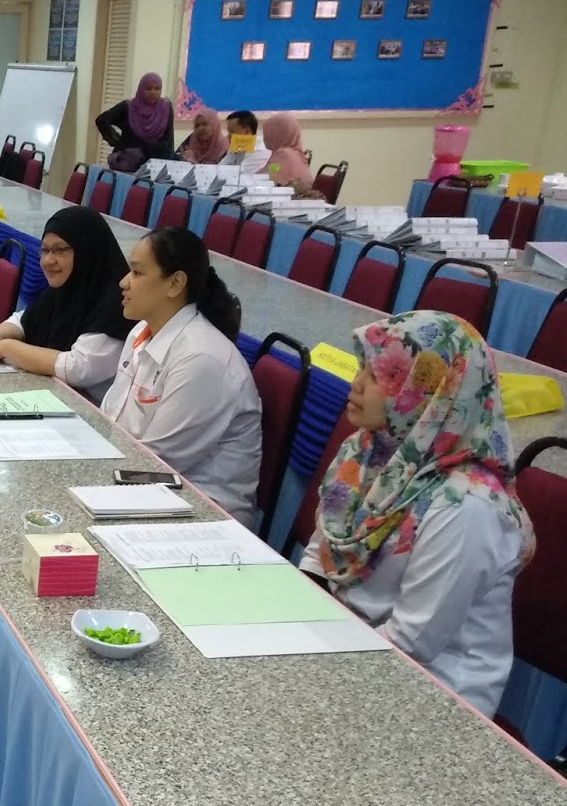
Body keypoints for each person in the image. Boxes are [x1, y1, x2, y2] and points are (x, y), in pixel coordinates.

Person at [300, 312, 533, 716]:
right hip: (350, 644)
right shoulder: (366, 450)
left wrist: (306, 669)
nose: (356, 384)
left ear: (428, 392)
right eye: (362, 369)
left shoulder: (467, 505)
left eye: (377, 376)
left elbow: (411, 643)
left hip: (434, 692)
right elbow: (321, 555)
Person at [102, 226, 262, 525]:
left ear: (175, 283)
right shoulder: (141, 332)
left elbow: (153, 464)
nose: (123, 282)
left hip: (203, 511)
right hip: (145, 485)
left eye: (137, 273)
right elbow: (111, 421)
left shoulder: (202, 358)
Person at [0, 207, 134, 402]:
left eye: (60, 250)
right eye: (45, 250)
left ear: (87, 251)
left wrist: (5, 347)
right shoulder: (69, 288)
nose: (47, 261)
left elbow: (78, 368)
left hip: (94, 408)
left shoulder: (119, 303)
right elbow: (25, 319)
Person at [95, 73, 175, 172]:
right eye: (149, 89)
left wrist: (170, 162)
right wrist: (116, 140)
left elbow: (169, 138)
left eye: (157, 88)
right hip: (128, 164)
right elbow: (102, 120)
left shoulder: (165, 108)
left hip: (154, 165)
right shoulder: (129, 107)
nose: (153, 92)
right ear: (141, 89)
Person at [260, 112, 314, 191]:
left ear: (278, 133)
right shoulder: (294, 154)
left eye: (268, 132)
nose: (265, 137)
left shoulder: (284, 155)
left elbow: (266, 178)